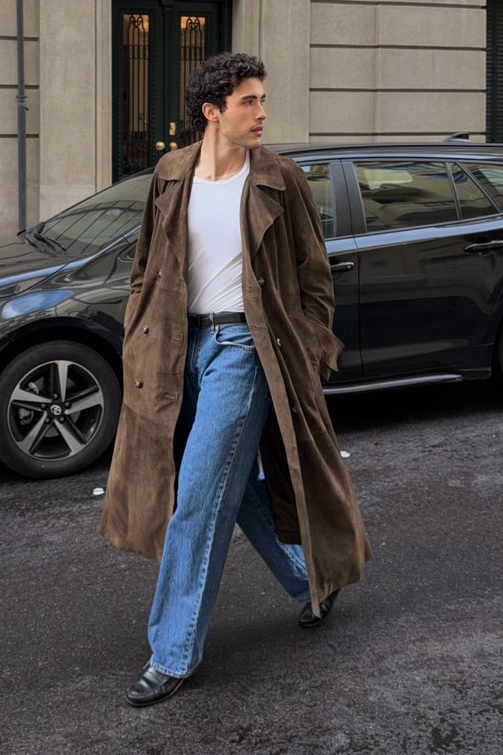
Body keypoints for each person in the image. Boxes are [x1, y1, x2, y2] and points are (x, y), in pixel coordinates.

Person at [100, 52, 371, 707]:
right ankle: (314, 578)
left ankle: (173, 651)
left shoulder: (280, 179)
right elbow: (146, 266)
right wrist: (139, 339)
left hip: (247, 349)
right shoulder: (170, 174)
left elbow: (315, 276)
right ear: (211, 111)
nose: (262, 112)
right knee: (235, 483)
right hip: (176, 347)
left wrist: (306, 349)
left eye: (261, 100)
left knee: (196, 496)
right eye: (248, 101)